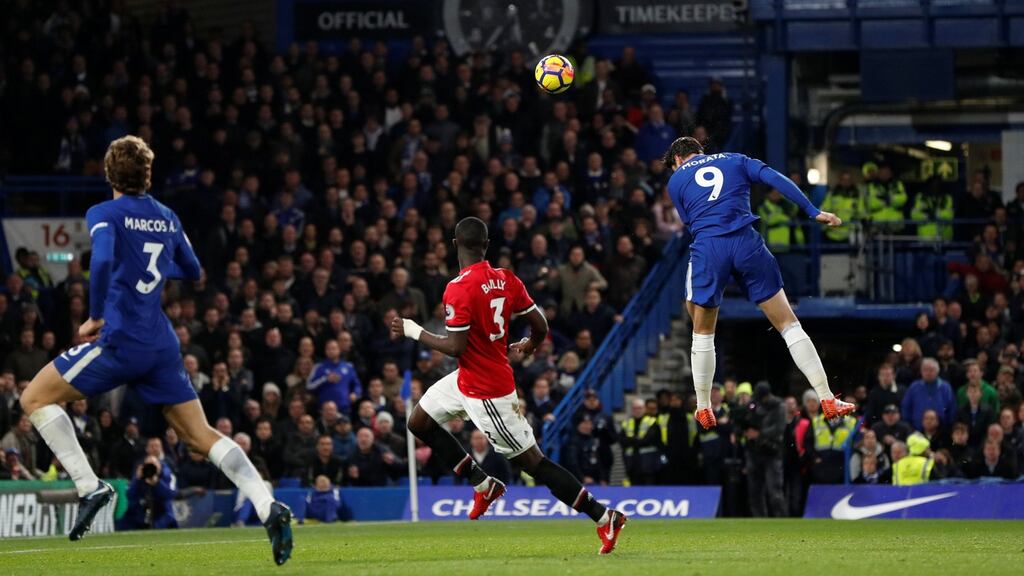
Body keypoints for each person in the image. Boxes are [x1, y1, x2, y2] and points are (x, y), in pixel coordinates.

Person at [15, 137, 292, 564]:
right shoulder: (166, 216)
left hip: (120, 340)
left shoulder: (103, 213)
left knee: (33, 396)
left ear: (109, 174)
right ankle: (264, 502)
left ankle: (90, 486)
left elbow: (103, 260)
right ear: (147, 174)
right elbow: (194, 270)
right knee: (199, 437)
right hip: (161, 344)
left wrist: (93, 315)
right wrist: (158, 266)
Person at [391, 217, 626, 554]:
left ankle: (604, 517)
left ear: (455, 245)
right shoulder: (506, 279)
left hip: (488, 392)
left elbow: (455, 347)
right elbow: (540, 324)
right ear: (486, 245)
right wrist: (530, 344)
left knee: (534, 464)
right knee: (419, 421)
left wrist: (415, 331)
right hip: (466, 378)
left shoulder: (458, 288)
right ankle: (482, 483)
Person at [661, 137, 854, 431]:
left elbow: (691, 222)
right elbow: (776, 179)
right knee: (789, 324)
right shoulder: (736, 159)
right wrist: (813, 211)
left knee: (702, 330)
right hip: (746, 242)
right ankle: (827, 398)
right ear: (701, 151)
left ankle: (703, 407)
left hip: (710, 248)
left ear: (676, 160)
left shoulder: (676, 181)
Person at [744, 383, 787, 518]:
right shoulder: (754, 405)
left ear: (767, 396)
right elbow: (746, 421)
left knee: (774, 491)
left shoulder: (779, 406)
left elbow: (779, 428)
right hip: (754, 451)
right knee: (755, 491)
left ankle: (781, 520)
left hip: (772, 452)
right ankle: (760, 521)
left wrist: (759, 434)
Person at [902, 358, 956, 432]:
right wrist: (909, 426)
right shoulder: (914, 387)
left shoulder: (945, 387)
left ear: (937, 371)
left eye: (931, 370)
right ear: (921, 371)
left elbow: (952, 409)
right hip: (916, 430)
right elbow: (906, 407)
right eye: (925, 370)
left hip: (941, 432)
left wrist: (947, 427)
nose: (928, 373)